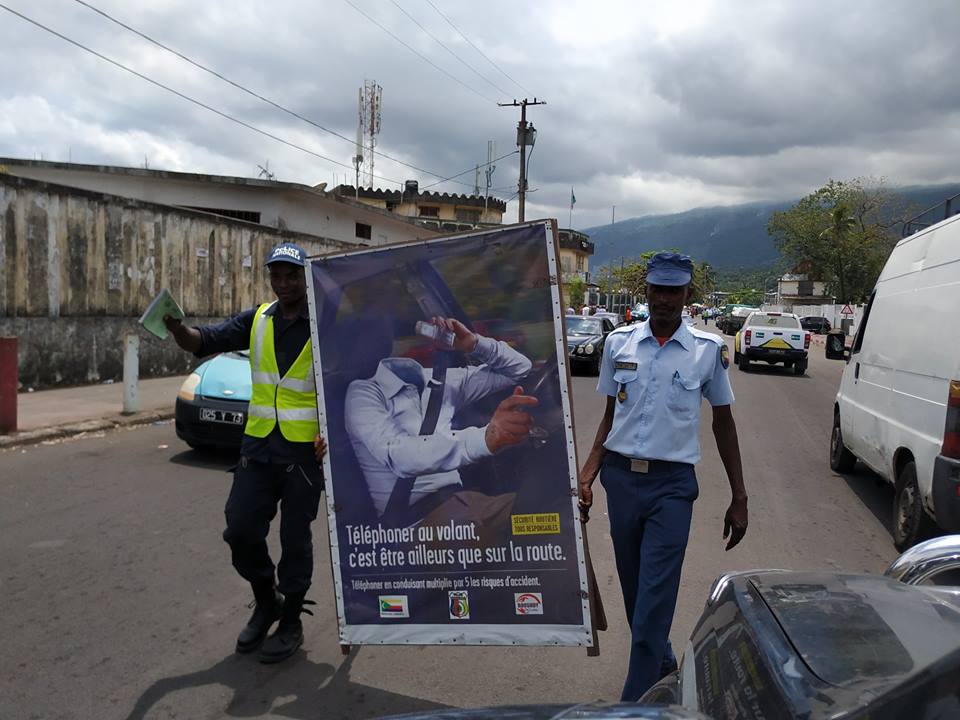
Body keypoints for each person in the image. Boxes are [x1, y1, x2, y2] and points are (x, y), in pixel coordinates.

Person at [577, 252, 747, 701]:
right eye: (658, 289)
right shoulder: (619, 344)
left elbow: (723, 424)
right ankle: (663, 658)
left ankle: (636, 702)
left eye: (675, 290)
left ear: (688, 294)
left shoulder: (707, 352)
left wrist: (740, 496)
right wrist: (589, 473)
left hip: (672, 487)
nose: (665, 299)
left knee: (655, 596)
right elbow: (611, 415)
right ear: (646, 291)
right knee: (636, 595)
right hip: (621, 481)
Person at [164, 242, 327, 664]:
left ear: (306, 278)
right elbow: (205, 340)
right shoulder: (257, 319)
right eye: (277, 275)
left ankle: (291, 619)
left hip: (303, 457)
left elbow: (347, 381)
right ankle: (266, 600)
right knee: (239, 530)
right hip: (257, 449)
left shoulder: (326, 323)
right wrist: (178, 329)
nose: (284, 283)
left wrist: (334, 435)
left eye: (292, 275)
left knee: (295, 542)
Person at [344, 316, 537, 530]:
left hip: (467, 503)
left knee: (545, 507)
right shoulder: (363, 394)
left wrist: (473, 344)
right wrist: (484, 438)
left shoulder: (440, 381)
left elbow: (519, 368)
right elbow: (401, 457)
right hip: (416, 525)